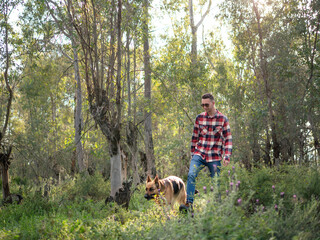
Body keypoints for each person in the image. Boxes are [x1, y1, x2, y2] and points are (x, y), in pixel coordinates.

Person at [180, 93, 232, 212]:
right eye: (202, 105)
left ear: (213, 103)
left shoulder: (223, 119)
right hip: (200, 153)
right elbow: (194, 138)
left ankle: (217, 207)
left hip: (214, 156)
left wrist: (227, 156)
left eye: (206, 105)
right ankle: (189, 205)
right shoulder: (199, 118)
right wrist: (193, 155)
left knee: (216, 181)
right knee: (191, 174)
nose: (204, 107)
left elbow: (228, 139)